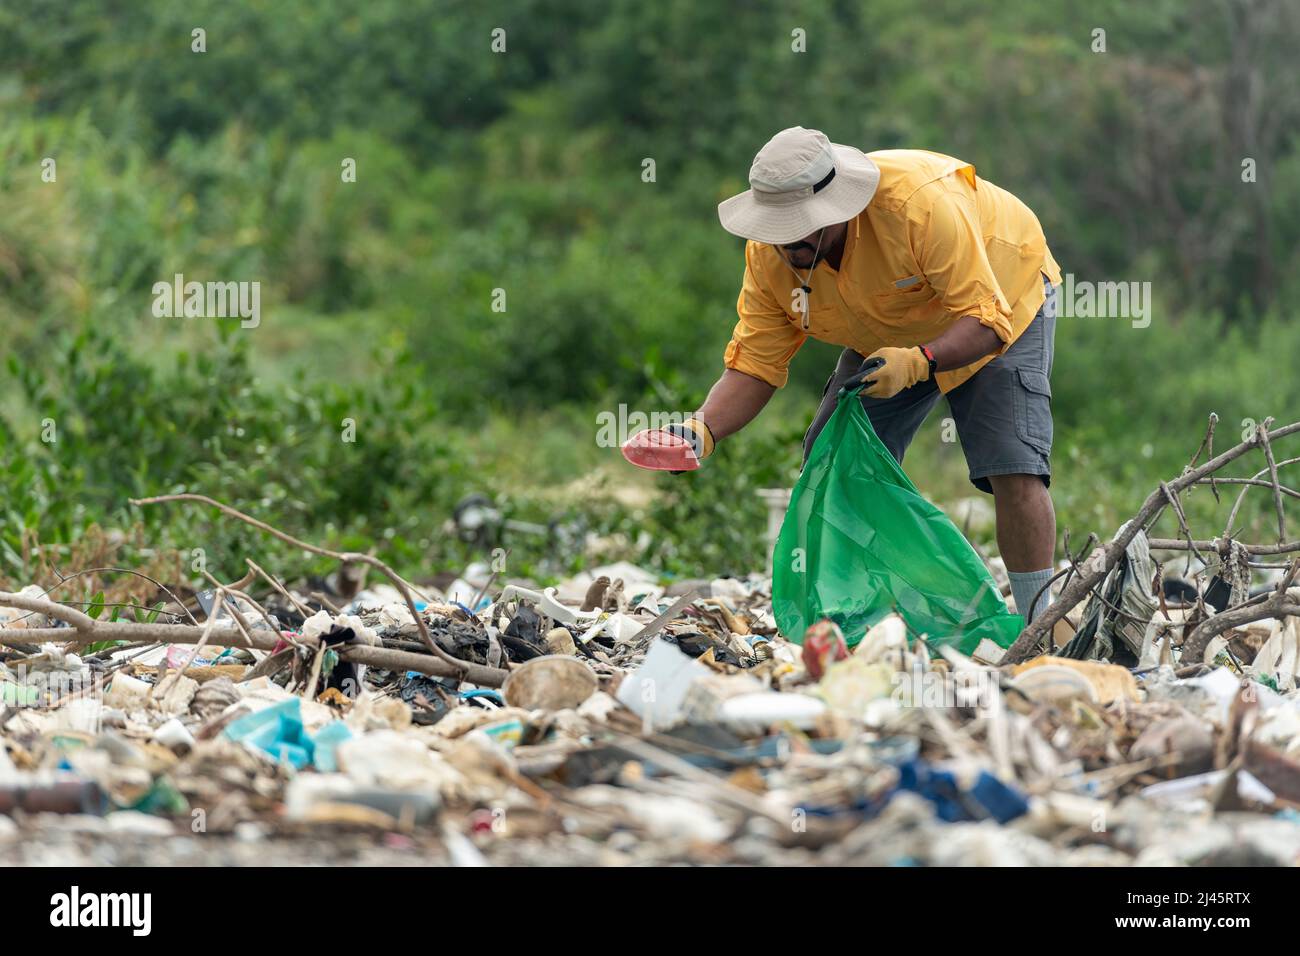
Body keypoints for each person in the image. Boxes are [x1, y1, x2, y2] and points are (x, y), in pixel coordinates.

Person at [633, 127, 1062, 623]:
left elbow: (986, 320)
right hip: (887, 325)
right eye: (777, 228)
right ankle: (870, 609)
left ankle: (1039, 622)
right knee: (831, 457)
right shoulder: (769, 256)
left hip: (1000, 295)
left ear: (840, 208)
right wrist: (699, 430)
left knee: (1011, 463)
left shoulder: (918, 209)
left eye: (800, 227)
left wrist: (920, 361)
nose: (788, 242)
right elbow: (755, 362)